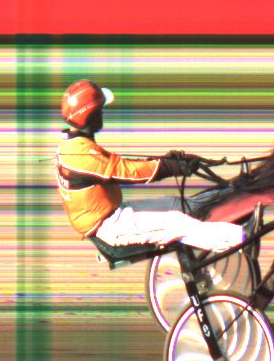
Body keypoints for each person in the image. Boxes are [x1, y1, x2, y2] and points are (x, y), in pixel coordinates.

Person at [56, 81, 244, 262]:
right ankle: (244, 237)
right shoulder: (82, 154)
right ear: (91, 115)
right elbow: (127, 172)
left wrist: (166, 161)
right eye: (101, 111)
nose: (103, 115)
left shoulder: (72, 143)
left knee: (176, 204)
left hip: (116, 213)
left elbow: (118, 165)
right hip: (109, 227)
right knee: (178, 223)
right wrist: (171, 167)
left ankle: (234, 192)